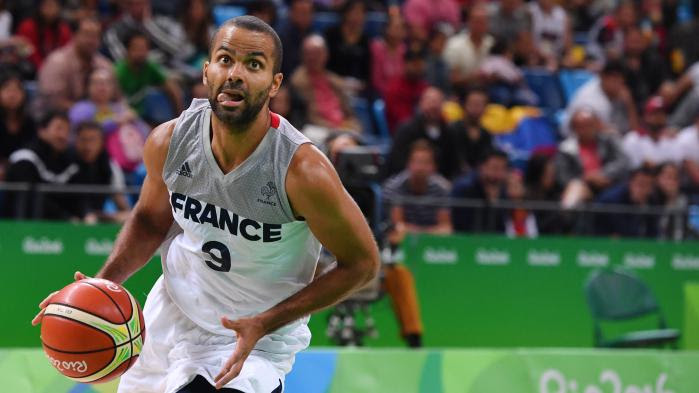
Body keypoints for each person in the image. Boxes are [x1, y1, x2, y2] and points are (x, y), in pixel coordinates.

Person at [32, 16, 379, 393]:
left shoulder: (302, 171)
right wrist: (103, 284)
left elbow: (362, 263)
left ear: (275, 83)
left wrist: (267, 321)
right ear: (207, 70)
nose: (235, 74)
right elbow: (150, 221)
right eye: (225, 59)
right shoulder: (169, 141)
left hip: (253, 337)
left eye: (254, 65)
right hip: (174, 317)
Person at [69, 68, 151, 173]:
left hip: (130, 159)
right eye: (97, 83)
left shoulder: (120, 108)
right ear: (88, 87)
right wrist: (116, 122)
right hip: (96, 162)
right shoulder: (81, 109)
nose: (102, 87)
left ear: (113, 88)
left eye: (106, 83)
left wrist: (134, 120)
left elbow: (146, 132)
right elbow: (83, 134)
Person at [3, 110, 78, 220]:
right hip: (21, 228)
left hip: (63, 228)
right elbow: (30, 198)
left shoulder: (70, 161)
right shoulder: (25, 159)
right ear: (42, 131)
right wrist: (65, 217)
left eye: (67, 130)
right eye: (59, 128)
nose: (63, 135)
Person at [556, 109, 629, 208]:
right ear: (574, 128)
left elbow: (623, 162)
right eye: (581, 126)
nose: (586, 129)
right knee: (573, 194)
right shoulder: (566, 148)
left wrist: (603, 174)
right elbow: (563, 177)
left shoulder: (608, 141)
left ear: (596, 125)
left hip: (609, 182)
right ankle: (565, 221)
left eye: (589, 125)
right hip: (583, 187)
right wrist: (586, 178)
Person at [37, 17, 112, 112]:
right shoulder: (57, 62)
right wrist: (87, 112)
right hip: (57, 119)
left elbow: (117, 98)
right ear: (74, 35)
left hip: (97, 120)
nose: (92, 40)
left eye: (96, 36)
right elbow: (53, 103)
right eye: (87, 35)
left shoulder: (104, 65)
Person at [290, 34, 360, 132]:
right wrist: (337, 129)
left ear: (326, 54)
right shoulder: (298, 81)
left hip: (342, 129)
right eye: (309, 53)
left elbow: (348, 111)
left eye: (317, 53)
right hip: (316, 130)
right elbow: (310, 117)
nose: (313, 57)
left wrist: (350, 125)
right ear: (302, 55)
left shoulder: (332, 78)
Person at [384, 87, 458, 179]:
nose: (433, 106)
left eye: (437, 102)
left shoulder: (449, 132)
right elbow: (396, 164)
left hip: (440, 186)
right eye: (430, 101)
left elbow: (454, 165)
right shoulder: (406, 130)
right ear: (421, 104)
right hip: (408, 183)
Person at [114, 30, 184, 123]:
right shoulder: (119, 71)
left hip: (146, 114)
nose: (140, 53)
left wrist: (180, 117)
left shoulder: (150, 66)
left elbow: (172, 88)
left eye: (143, 49)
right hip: (125, 116)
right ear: (127, 50)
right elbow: (117, 101)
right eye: (136, 48)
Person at [70, 121, 130, 223]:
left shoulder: (109, 167)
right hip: (68, 219)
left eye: (93, 140)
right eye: (83, 140)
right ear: (76, 141)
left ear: (102, 143)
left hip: (96, 217)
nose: (88, 146)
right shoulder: (66, 162)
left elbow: (122, 205)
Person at [564, 60, 639, 135]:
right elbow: (582, 125)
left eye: (621, 81)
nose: (619, 85)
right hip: (577, 141)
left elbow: (634, 130)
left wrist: (629, 104)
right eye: (614, 79)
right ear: (603, 77)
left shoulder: (616, 95)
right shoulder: (590, 98)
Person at [451, 149, 510, 232]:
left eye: (503, 168)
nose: (499, 174)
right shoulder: (464, 188)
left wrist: (494, 202)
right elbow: (462, 226)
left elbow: (501, 228)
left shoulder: (502, 189)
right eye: (495, 168)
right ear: (482, 167)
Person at [594, 165, 659, 238]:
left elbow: (653, 233)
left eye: (648, 185)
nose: (644, 190)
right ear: (630, 183)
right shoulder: (611, 200)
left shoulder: (652, 201)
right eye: (641, 184)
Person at [621, 96, 680, 169]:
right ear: (646, 116)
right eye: (655, 114)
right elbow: (630, 169)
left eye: (662, 113)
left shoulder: (671, 139)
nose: (659, 118)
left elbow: (674, 167)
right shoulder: (633, 139)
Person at [15, 0, 72, 70]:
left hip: (57, 69)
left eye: (53, 6)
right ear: (40, 7)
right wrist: (43, 67)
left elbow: (67, 51)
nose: (50, 10)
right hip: (32, 68)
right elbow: (24, 51)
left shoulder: (64, 29)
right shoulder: (26, 26)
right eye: (47, 5)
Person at [447, 88, 493, 174]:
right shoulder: (452, 129)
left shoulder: (486, 134)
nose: (476, 108)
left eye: (480, 104)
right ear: (464, 105)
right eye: (473, 104)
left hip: (478, 179)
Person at [0, 71, 35, 180]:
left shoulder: (29, 122)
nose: (12, 95)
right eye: (7, 90)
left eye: (16, 90)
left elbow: (31, 151)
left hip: (21, 170)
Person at [275, 0, 315, 76]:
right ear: (291, 13)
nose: (306, 16)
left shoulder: (312, 33)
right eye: (302, 13)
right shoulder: (281, 36)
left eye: (309, 12)